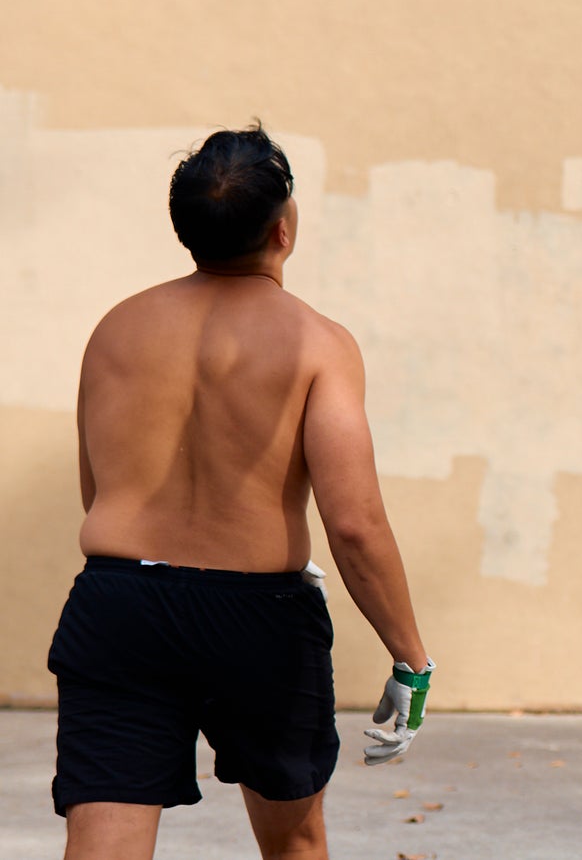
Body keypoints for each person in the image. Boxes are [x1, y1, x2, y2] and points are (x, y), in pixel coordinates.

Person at [49, 125, 434, 860]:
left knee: (102, 844)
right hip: (260, 617)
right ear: (282, 229)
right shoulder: (317, 342)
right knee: (294, 843)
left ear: (185, 226)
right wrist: (410, 658)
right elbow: (354, 523)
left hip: (119, 606)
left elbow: (96, 490)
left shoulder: (116, 330)